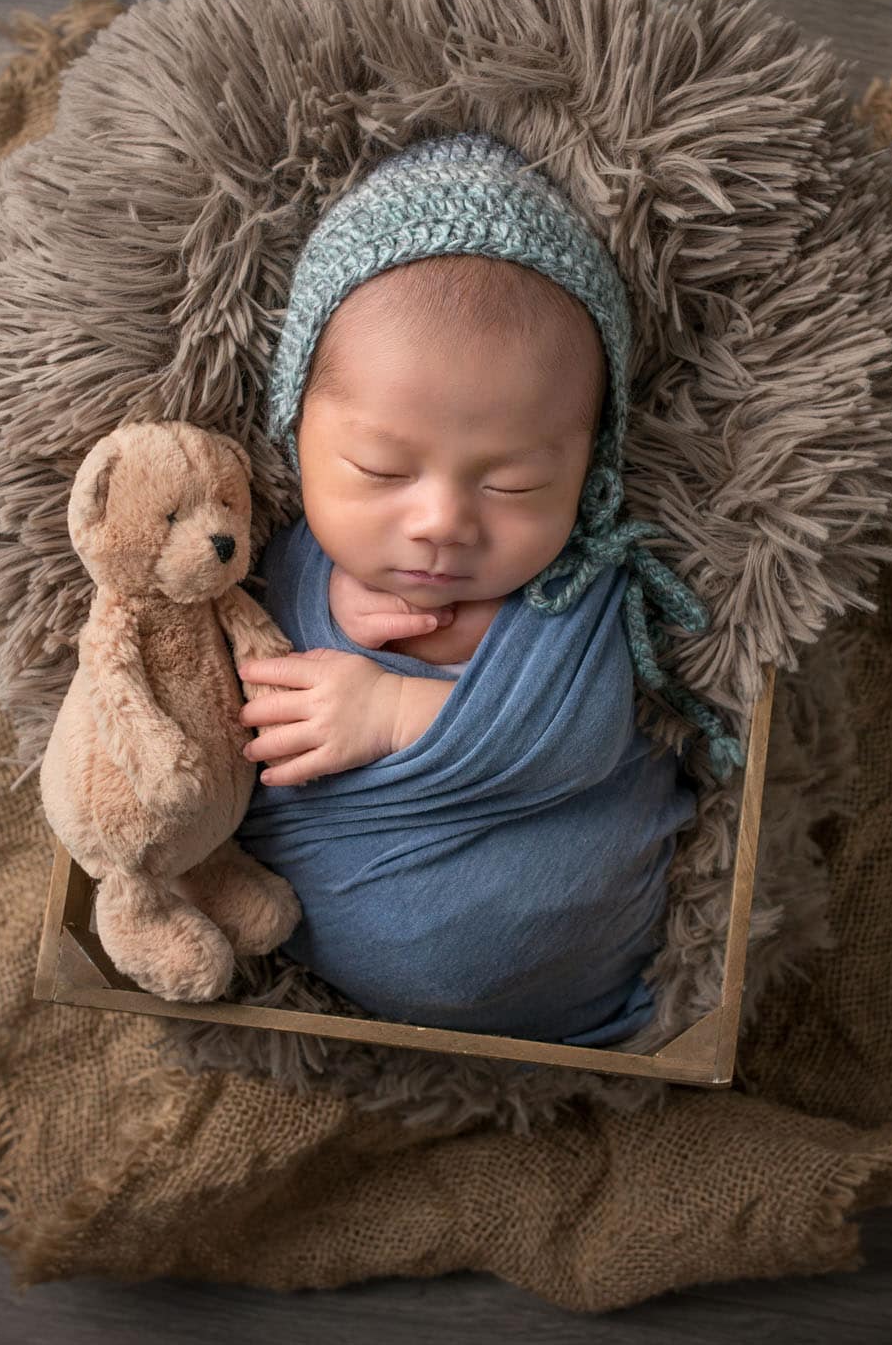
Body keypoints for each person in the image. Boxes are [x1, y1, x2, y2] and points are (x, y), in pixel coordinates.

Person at [229, 131, 740, 1046]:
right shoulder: (275, 561)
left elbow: (582, 740)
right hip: (314, 977)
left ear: (591, 471)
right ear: (295, 427)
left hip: (592, 990)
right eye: (381, 469)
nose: (442, 522)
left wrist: (390, 711)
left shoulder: (575, 588)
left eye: (513, 485)